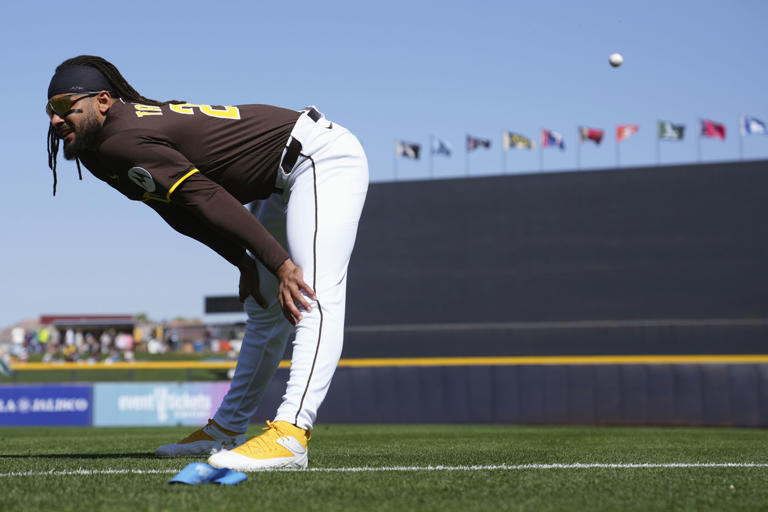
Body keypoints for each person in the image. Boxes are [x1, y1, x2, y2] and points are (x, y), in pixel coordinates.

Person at [45, 56, 369, 471]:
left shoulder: (121, 137)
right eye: (49, 110)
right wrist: (244, 261)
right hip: (276, 180)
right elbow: (177, 210)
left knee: (312, 292)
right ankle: (229, 428)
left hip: (319, 155)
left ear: (103, 101)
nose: (55, 120)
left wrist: (281, 264)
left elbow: (206, 197)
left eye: (64, 106)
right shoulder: (97, 150)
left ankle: (291, 433)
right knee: (265, 305)